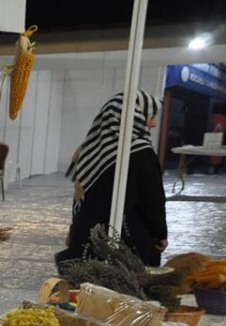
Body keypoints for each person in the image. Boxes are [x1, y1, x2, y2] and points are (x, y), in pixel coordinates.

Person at [57, 91, 168, 267]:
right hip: (127, 241)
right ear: (131, 117)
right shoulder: (142, 153)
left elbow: (80, 198)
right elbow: (152, 200)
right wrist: (160, 233)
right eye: (150, 116)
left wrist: (74, 229)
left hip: (87, 237)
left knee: (86, 291)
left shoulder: (90, 150)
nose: (153, 124)